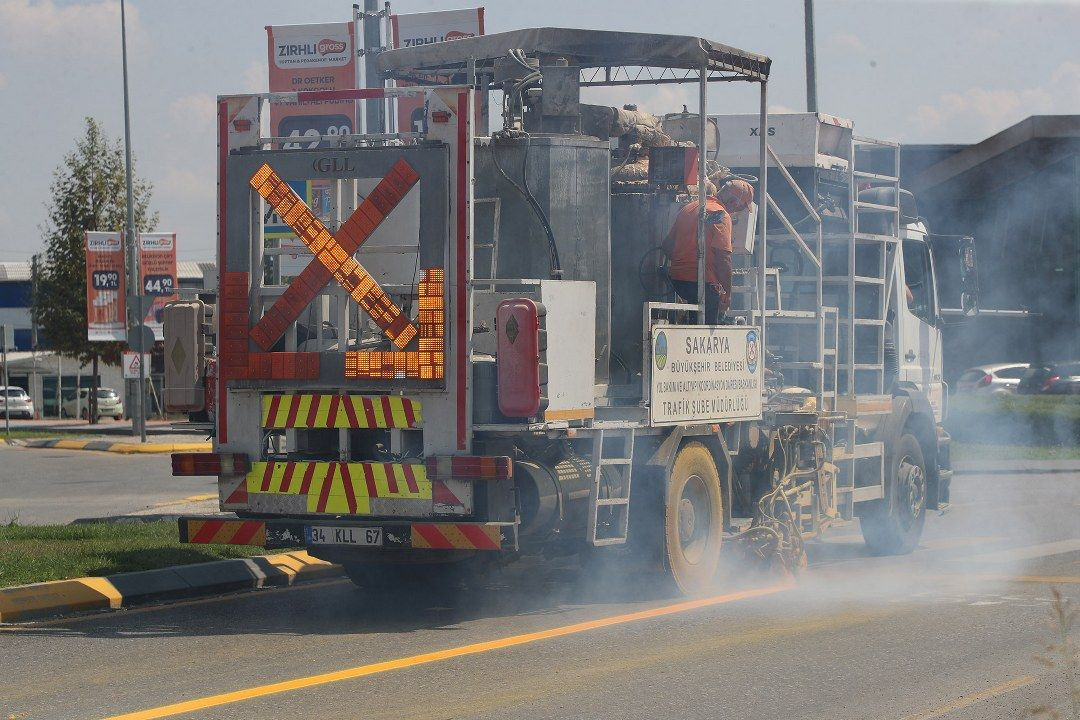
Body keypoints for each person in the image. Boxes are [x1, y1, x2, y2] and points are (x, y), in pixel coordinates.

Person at [663, 177, 754, 324]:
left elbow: (667, 245)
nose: (738, 212)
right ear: (732, 202)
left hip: (678, 282)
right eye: (741, 207)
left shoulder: (689, 208)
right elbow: (724, 259)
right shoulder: (721, 215)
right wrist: (728, 294)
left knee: (693, 321)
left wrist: (684, 262)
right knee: (708, 328)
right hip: (703, 285)